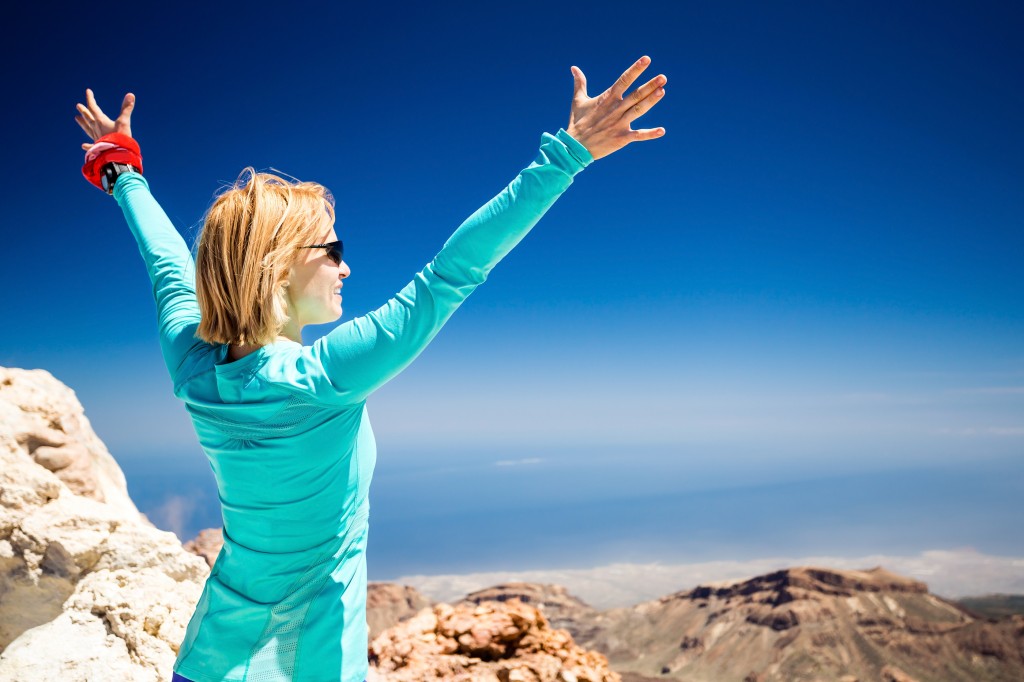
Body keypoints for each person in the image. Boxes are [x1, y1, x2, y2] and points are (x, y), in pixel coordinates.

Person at [75, 56, 666, 682]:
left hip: (205, 663)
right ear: (277, 265)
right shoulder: (322, 381)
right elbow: (453, 273)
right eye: (333, 250)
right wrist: (568, 154)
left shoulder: (192, 361)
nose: (345, 267)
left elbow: (169, 264)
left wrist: (121, 170)